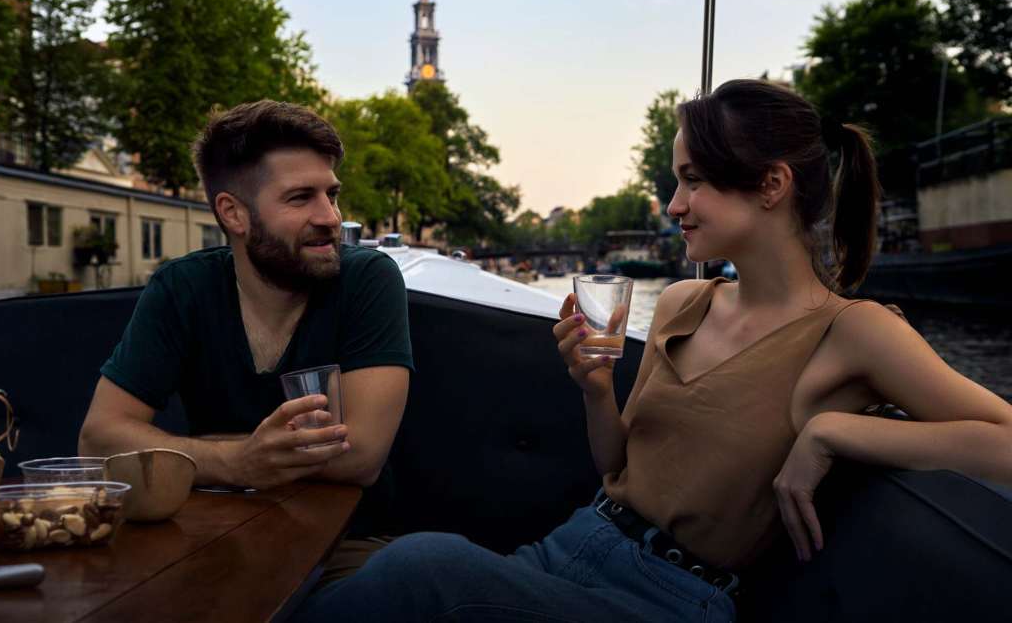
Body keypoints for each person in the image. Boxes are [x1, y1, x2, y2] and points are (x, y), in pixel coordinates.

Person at [293, 79, 1012, 623]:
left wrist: (834, 431)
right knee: (351, 577)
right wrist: (594, 386)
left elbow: (1004, 441)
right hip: (573, 544)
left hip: (668, 599)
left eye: (693, 180)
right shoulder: (681, 302)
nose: (673, 205)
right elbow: (616, 466)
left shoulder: (854, 331)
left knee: (424, 565)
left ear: (771, 186)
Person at [78, 100, 414, 579]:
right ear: (233, 214)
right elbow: (96, 441)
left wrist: (195, 451)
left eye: (332, 194)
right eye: (301, 198)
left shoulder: (368, 280)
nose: (331, 217)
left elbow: (359, 456)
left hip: (347, 548)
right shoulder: (182, 289)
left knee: (422, 569)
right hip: (210, 541)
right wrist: (237, 462)